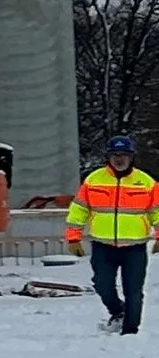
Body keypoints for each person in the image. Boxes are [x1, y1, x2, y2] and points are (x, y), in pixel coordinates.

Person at [66, 134, 159, 333]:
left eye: (124, 154)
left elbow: (157, 211)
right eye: (115, 154)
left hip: (135, 248)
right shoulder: (94, 179)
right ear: (108, 157)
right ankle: (118, 311)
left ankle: (130, 331)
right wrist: (73, 236)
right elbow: (79, 209)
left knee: (133, 292)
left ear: (131, 157)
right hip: (103, 246)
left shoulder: (146, 182)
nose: (119, 159)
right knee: (102, 285)